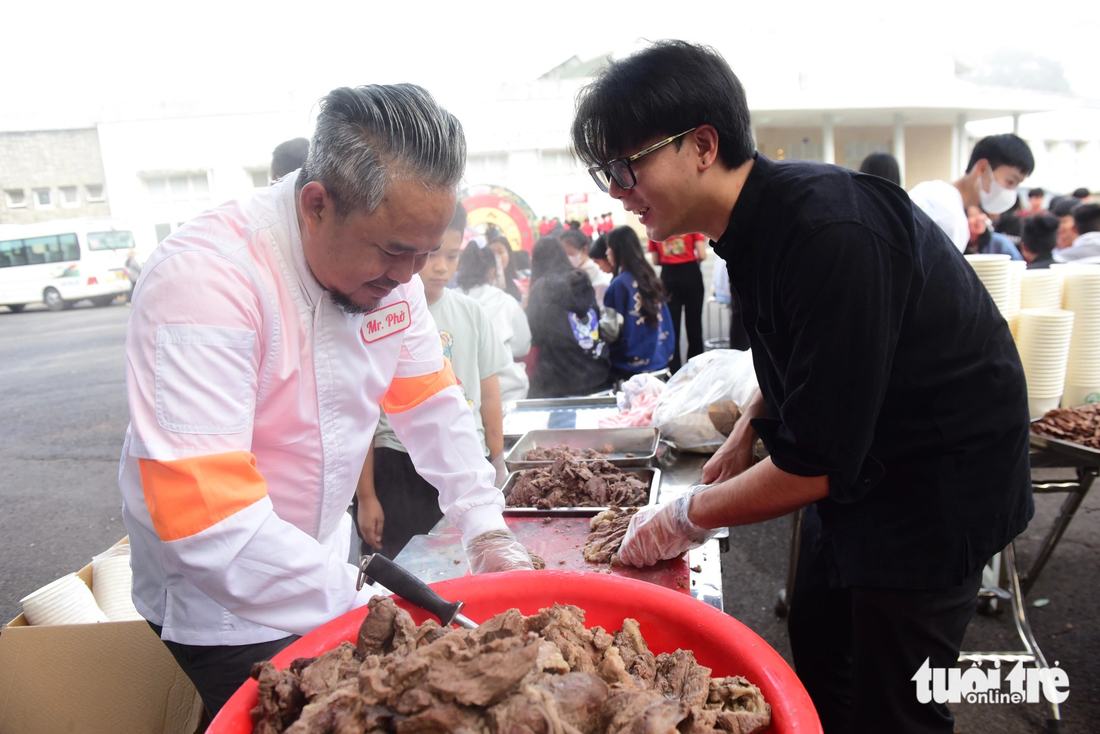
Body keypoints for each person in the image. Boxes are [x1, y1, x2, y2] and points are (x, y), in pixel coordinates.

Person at [571, 40, 1032, 733]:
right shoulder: (750, 229)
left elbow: (816, 464)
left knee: (894, 704)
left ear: (702, 144)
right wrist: (749, 426)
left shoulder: (825, 230)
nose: (617, 190)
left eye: (626, 166)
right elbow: (800, 356)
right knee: (821, 655)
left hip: (936, 483)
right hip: (858, 463)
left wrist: (685, 514)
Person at [117, 84, 533, 718]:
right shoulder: (205, 280)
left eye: (425, 253)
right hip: (222, 597)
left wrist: (484, 524)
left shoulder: (397, 276)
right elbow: (209, 524)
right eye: (396, 251)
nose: (410, 278)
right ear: (316, 205)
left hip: (320, 554)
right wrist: (373, 604)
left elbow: (431, 404)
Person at [359, 203, 514, 558]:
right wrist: (366, 496)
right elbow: (361, 414)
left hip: (462, 456)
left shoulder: (471, 313)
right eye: (429, 255)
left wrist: (497, 455)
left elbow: (489, 395)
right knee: (406, 561)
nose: (440, 266)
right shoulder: (376, 305)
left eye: (451, 255)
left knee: (458, 558)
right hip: (396, 462)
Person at [909, 134, 1034, 252]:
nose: (1011, 192)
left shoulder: (928, 188)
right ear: (983, 168)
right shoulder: (952, 220)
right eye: (1010, 182)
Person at [525, 236, 610, 397]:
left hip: (562, 379)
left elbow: (533, 335)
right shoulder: (582, 278)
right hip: (599, 371)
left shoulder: (541, 289)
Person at [456, 239, 532, 403]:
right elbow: (522, 347)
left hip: (462, 396)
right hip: (506, 393)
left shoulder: (449, 300)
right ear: (492, 272)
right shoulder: (505, 301)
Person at [602, 226, 674, 378]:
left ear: (619, 250)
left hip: (631, 364)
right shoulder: (650, 277)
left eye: (609, 248)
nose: (607, 253)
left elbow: (611, 331)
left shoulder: (619, 284)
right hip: (660, 358)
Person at [648, 232, 707, 372]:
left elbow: (656, 260)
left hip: (669, 277)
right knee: (694, 325)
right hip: (691, 275)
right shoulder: (691, 226)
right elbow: (703, 255)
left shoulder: (657, 229)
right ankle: (696, 367)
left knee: (672, 326)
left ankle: (674, 369)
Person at [561, 227, 611, 302]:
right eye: (564, 255)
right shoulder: (573, 270)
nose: (568, 258)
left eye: (570, 253)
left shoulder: (593, 270)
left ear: (584, 249)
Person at [487, 235, 522, 301]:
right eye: (492, 253)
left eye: (500, 252)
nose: (496, 257)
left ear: (508, 254)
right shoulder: (485, 282)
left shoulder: (519, 280)